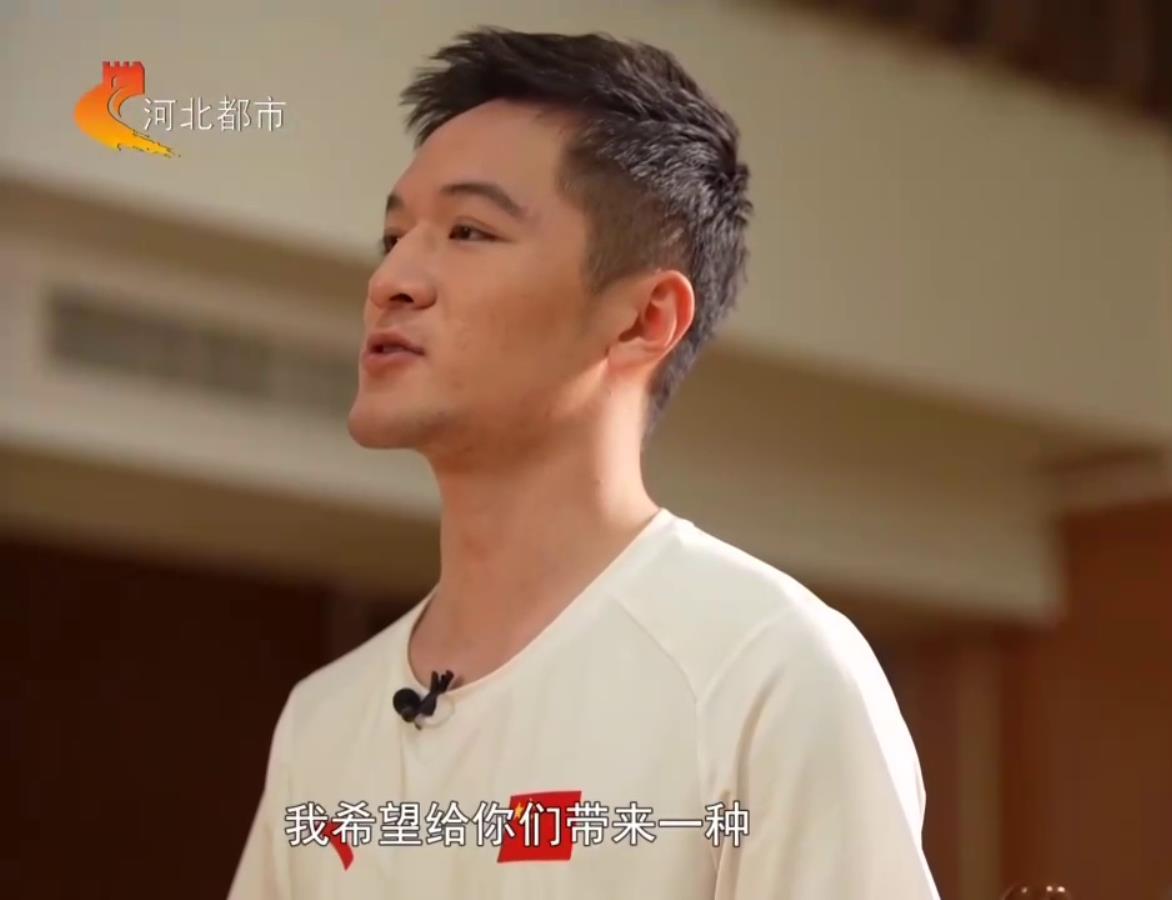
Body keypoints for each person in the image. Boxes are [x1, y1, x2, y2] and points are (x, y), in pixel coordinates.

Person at [225, 27, 940, 899]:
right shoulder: (323, 721)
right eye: (393, 236)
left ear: (644, 319)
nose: (392, 280)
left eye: (469, 231)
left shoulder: (770, 671)